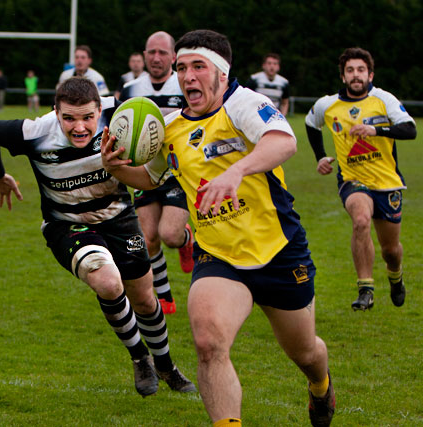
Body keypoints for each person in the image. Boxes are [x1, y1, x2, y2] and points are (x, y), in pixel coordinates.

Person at [102, 29, 334, 427]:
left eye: (198, 67)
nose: (187, 76)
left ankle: (320, 385)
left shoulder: (244, 103)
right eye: (181, 68)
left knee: (305, 353)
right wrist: (115, 167)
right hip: (219, 257)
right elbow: (151, 178)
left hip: (278, 251)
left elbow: (283, 142)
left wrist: (237, 170)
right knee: (209, 342)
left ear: (222, 74)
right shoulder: (170, 128)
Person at [0, 76, 196, 397]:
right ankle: (140, 358)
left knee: (145, 300)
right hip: (67, 225)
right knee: (108, 282)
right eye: (68, 118)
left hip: (119, 217)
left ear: (100, 109)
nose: (79, 127)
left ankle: (165, 365)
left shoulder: (120, 115)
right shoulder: (36, 132)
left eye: (87, 117)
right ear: (55, 112)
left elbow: (165, 123)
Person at [305, 47, 416, 311]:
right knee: (361, 221)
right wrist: (320, 156)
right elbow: (311, 123)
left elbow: (410, 129)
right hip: (352, 180)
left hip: (387, 182)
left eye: (361, 70)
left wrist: (374, 129)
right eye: (350, 70)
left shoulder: (383, 99)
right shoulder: (327, 104)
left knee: (391, 250)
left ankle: (395, 275)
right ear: (342, 76)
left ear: (370, 74)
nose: (356, 75)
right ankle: (365, 288)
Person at [119, 31, 192, 315]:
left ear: (173, 57)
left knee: (169, 235)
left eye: (163, 52)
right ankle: (165, 297)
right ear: (144, 55)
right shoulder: (131, 89)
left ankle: (186, 240)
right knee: (148, 239)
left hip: (175, 170)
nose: (156, 58)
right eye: (151, 52)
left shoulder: (185, 84)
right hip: (144, 170)